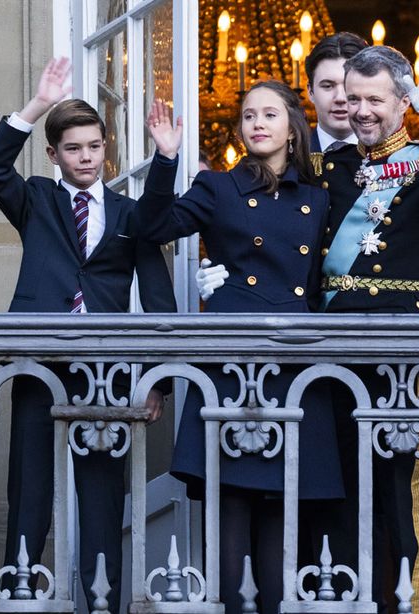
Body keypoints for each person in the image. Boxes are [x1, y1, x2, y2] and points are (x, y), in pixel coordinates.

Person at [0, 56, 176, 614]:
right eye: (73, 148)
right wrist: (36, 105)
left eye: (93, 146)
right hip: (39, 360)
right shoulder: (36, 200)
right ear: (53, 154)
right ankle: (20, 594)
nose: (85, 157)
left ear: (105, 147)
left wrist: (157, 380)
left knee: (102, 493)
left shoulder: (131, 213)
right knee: (30, 485)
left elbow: (159, 297)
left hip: (106, 368)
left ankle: (103, 601)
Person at [136, 80, 342, 614]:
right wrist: (166, 158)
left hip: (293, 359)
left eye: (269, 114)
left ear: (292, 126)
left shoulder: (321, 197)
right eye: (248, 115)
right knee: (229, 509)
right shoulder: (219, 188)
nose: (257, 123)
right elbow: (153, 226)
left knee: (282, 515)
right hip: (231, 359)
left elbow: (336, 275)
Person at [318, 45, 419, 613]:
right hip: (335, 352)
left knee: (404, 497)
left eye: (375, 99)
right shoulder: (327, 169)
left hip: (405, 352)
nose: (361, 110)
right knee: (341, 495)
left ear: (403, 102)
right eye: (353, 98)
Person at [305, 32, 368, 153]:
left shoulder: (395, 161)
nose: (340, 98)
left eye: (349, 85)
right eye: (328, 86)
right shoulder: (288, 159)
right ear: (310, 91)